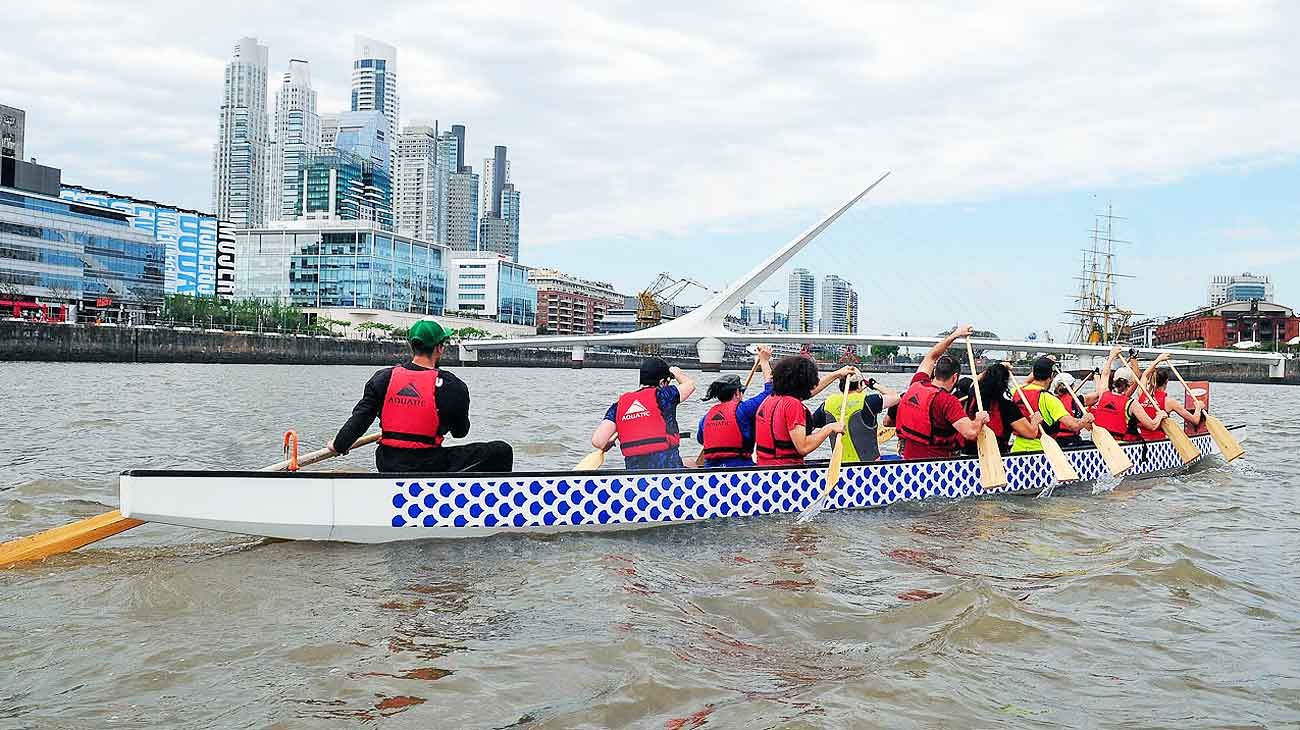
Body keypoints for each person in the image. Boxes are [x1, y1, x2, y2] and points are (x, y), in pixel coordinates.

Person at [328, 320, 513, 472]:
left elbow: (359, 421)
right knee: (501, 451)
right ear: (440, 348)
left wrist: (339, 445)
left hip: (387, 463)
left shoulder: (383, 378)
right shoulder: (452, 386)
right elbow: (460, 432)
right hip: (429, 464)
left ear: (412, 345)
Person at [895, 325, 989, 460]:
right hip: (937, 468)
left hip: (909, 462)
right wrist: (980, 419)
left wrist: (954, 335)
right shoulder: (948, 401)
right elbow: (970, 432)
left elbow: (931, 356)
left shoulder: (917, 383)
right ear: (955, 377)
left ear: (934, 372)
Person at [590, 357, 696, 470]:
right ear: (662, 382)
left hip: (635, 476)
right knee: (691, 463)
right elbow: (690, 385)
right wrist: (677, 373)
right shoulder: (664, 395)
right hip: (667, 471)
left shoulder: (618, 406)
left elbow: (598, 441)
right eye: (667, 382)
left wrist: (608, 444)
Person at [753, 356, 855, 466]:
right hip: (786, 470)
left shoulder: (770, 399)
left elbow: (807, 393)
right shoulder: (793, 405)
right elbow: (803, 447)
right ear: (805, 382)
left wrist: (836, 374)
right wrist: (829, 428)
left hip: (764, 468)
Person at [694, 346, 774, 468]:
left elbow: (701, 440)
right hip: (741, 469)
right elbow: (771, 391)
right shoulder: (745, 409)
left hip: (710, 472)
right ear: (737, 393)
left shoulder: (706, 418)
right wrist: (764, 361)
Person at [1010, 356, 1095, 453]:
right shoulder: (1049, 399)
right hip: (1042, 451)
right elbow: (1073, 425)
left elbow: (1027, 382)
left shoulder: (1016, 392)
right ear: (1051, 376)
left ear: (1034, 373)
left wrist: (1043, 362)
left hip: (1016, 450)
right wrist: (1085, 419)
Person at [811, 374, 901, 462]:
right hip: (869, 467)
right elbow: (896, 397)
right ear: (859, 385)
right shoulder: (869, 401)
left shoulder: (827, 404)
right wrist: (874, 385)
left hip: (840, 464)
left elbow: (809, 427)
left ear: (841, 385)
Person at [958, 361, 1042, 455]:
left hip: (969, 454)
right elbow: (1031, 433)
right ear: (1004, 383)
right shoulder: (1007, 406)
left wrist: (998, 367)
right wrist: (1035, 421)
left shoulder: (973, 394)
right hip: (997, 455)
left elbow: (977, 380)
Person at [1131, 354, 1203, 441]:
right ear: (1166, 382)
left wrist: (1158, 360)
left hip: (1140, 439)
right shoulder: (1170, 403)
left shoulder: (1142, 393)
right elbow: (1195, 420)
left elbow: (1144, 375)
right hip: (1158, 441)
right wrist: (1198, 407)